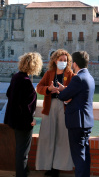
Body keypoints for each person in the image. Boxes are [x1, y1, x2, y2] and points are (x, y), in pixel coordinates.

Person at [36, 49, 75, 177]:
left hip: (64, 108)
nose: (63, 62)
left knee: (62, 138)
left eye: (65, 60)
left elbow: (76, 91)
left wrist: (65, 90)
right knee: (47, 136)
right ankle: (47, 166)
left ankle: (58, 167)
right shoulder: (49, 73)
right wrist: (49, 89)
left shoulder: (71, 75)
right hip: (50, 107)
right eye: (61, 60)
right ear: (55, 60)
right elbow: (39, 88)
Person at [4, 52, 43, 177]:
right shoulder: (26, 81)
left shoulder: (16, 77)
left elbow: (9, 94)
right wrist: (30, 120)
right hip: (23, 122)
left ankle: (23, 173)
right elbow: (26, 106)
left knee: (20, 150)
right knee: (23, 153)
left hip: (13, 120)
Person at [58, 51, 95, 177]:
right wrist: (67, 90)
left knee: (78, 156)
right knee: (84, 154)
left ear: (74, 63)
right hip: (86, 121)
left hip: (77, 123)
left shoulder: (78, 78)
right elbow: (79, 95)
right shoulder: (89, 77)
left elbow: (63, 96)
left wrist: (62, 91)